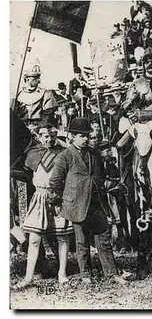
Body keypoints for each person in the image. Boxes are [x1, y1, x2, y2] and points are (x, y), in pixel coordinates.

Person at [48, 118, 128, 285]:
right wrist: (58, 202)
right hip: (77, 204)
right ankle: (86, 274)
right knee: (82, 241)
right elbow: (55, 182)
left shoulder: (94, 153)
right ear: (72, 137)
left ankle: (111, 273)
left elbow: (101, 175)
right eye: (81, 135)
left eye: (87, 135)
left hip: (97, 203)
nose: (85, 138)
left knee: (104, 238)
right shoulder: (65, 156)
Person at [12, 122, 73, 290]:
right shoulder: (32, 153)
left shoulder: (64, 152)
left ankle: (62, 274)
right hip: (39, 197)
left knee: (63, 237)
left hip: (58, 197)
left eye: (52, 135)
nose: (49, 139)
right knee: (34, 239)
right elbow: (25, 174)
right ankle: (29, 277)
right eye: (45, 136)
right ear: (38, 136)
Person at [12, 65, 58, 132]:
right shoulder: (18, 95)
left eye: (39, 77)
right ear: (27, 78)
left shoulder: (46, 94)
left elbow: (47, 116)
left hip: (41, 128)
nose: (38, 79)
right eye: (35, 77)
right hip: (22, 128)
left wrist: (39, 127)